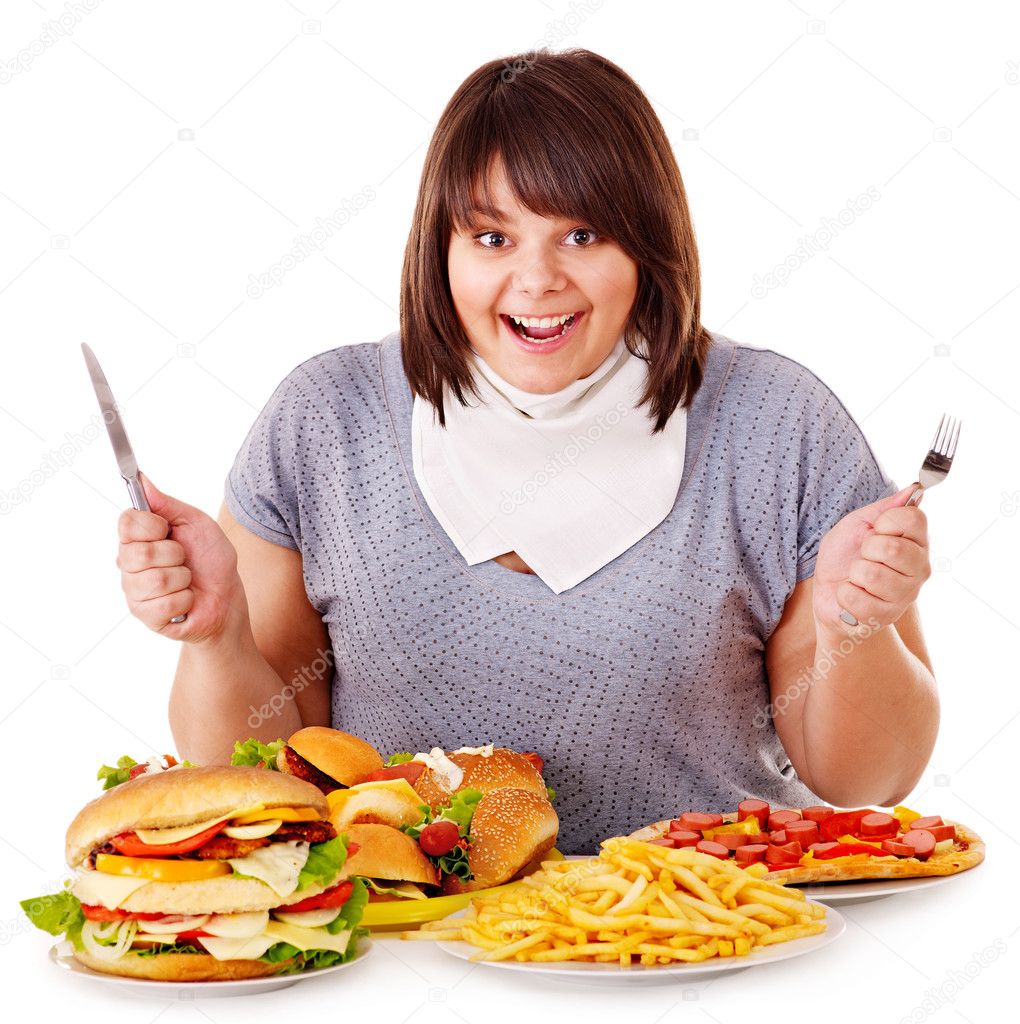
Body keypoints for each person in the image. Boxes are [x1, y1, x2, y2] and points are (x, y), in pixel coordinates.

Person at [115, 49, 937, 854]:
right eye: (492, 238)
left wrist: (854, 630)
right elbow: (254, 772)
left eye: (582, 235)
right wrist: (215, 639)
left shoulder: (778, 425)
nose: (537, 280)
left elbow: (869, 780)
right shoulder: (327, 419)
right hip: (403, 955)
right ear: (441, 251)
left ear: (648, 249)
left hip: (705, 939)